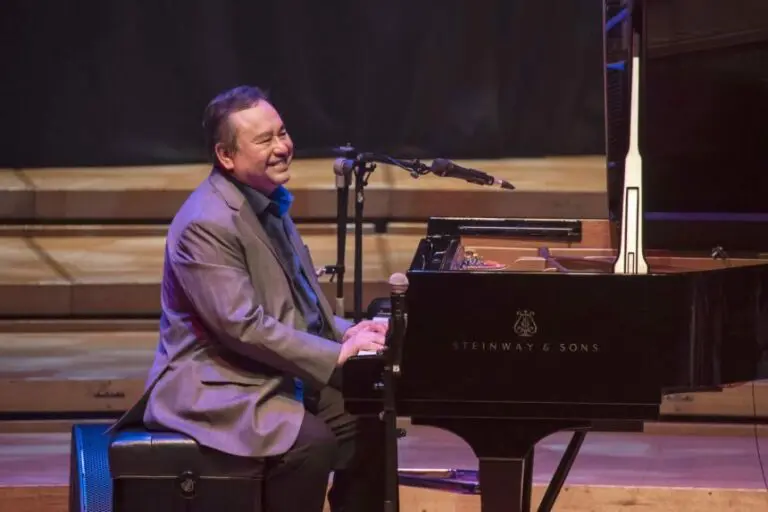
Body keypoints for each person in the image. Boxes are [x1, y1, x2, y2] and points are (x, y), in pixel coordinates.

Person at [111, 85, 389, 511]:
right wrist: (337, 355)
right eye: (265, 140)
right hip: (216, 383)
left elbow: (295, 306)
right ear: (226, 156)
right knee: (310, 444)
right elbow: (242, 326)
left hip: (264, 371)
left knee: (369, 419)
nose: (282, 147)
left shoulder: (265, 200)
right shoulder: (206, 223)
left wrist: (348, 332)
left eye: (282, 133)